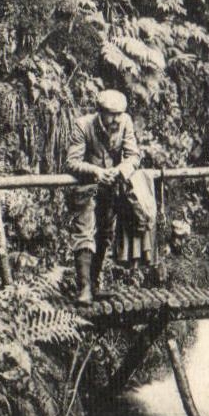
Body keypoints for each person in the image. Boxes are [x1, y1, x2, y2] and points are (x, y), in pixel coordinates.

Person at [66, 89, 156, 305]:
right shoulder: (83, 125)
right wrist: (96, 172)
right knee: (84, 232)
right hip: (86, 186)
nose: (115, 119)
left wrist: (120, 170)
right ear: (100, 112)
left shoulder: (125, 122)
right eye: (111, 114)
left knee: (105, 233)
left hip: (111, 188)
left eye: (119, 113)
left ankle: (95, 283)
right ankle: (84, 288)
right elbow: (72, 162)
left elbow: (133, 155)